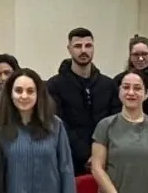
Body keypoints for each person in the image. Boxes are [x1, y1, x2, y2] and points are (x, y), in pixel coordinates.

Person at [48, 27, 120, 174]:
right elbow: (59, 123)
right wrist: (85, 154)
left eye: (88, 46)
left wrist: (99, 153)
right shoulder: (54, 85)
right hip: (69, 160)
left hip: (106, 160)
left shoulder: (109, 85)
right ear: (69, 49)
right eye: (77, 46)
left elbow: (115, 121)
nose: (83, 50)